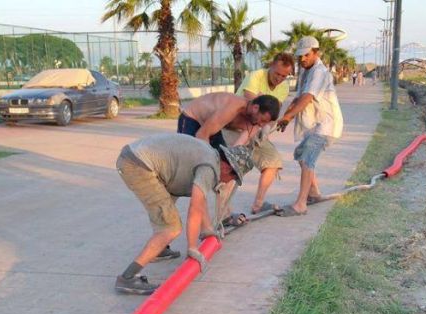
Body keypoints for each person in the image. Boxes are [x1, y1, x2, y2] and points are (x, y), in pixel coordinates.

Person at [115, 133, 254, 294]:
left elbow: (200, 200)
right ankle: (127, 277)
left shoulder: (210, 156)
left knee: (166, 212)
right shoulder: (209, 168)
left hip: (138, 158)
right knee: (170, 228)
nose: (229, 181)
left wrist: (208, 229)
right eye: (233, 177)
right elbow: (194, 208)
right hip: (138, 165)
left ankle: (158, 249)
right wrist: (193, 247)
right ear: (227, 167)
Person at [275, 36, 344, 217]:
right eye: (300, 56)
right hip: (315, 126)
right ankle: (313, 193)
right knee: (300, 154)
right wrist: (285, 115)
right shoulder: (306, 72)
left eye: (306, 55)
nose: (302, 59)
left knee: (307, 159)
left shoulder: (319, 72)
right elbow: (299, 98)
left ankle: (301, 204)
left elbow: (307, 98)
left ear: (316, 53)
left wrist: (289, 117)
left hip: (326, 125)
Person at [233, 52, 294, 214]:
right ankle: (223, 213)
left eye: (284, 76)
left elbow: (273, 113)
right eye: (277, 74)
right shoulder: (256, 76)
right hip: (236, 126)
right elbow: (253, 105)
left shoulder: (284, 87)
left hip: (258, 129)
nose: (280, 78)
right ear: (271, 66)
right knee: (232, 167)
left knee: (273, 161)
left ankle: (258, 204)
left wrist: (265, 129)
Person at [177, 92, 280, 150]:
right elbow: (202, 135)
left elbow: (236, 150)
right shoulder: (232, 108)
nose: (261, 125)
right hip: (192, 118)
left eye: (265, 123)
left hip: (211, 127)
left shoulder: (254, 122)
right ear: (255, 108)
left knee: (223, 161)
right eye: (262, 120)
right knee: (190, 158)